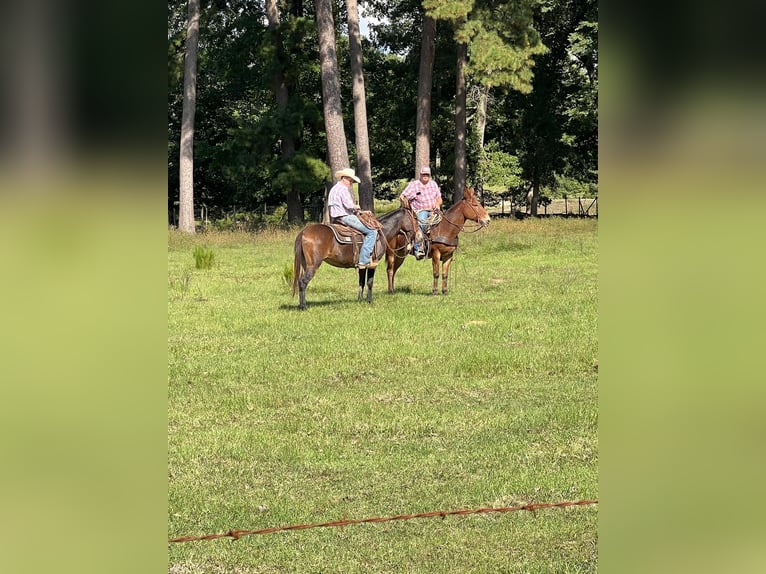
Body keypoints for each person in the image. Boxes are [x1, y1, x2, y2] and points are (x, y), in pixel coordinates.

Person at [327, 167, 378, 269]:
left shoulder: (334, 188)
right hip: (345, 217)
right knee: (372, 232)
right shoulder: (343, 189)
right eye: (351, 180)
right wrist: (357, 207)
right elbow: (348, 205)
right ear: (345, 178)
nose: (351, 183)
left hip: (336, 216)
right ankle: (363, 261)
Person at [399, 165, 442, 259]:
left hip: (434, 210)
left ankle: (441, 247)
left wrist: (438, 204)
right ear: (420, 174)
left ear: (430, 175)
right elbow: (403, 196)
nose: (425, 176)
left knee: (444, 223)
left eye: (427, 174)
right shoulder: (414, 185)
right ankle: (418, 249)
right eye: (424, 174)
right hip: (420, 210)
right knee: (422, 223)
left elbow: (439, 198)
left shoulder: (433, 184)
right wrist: (406, 204)